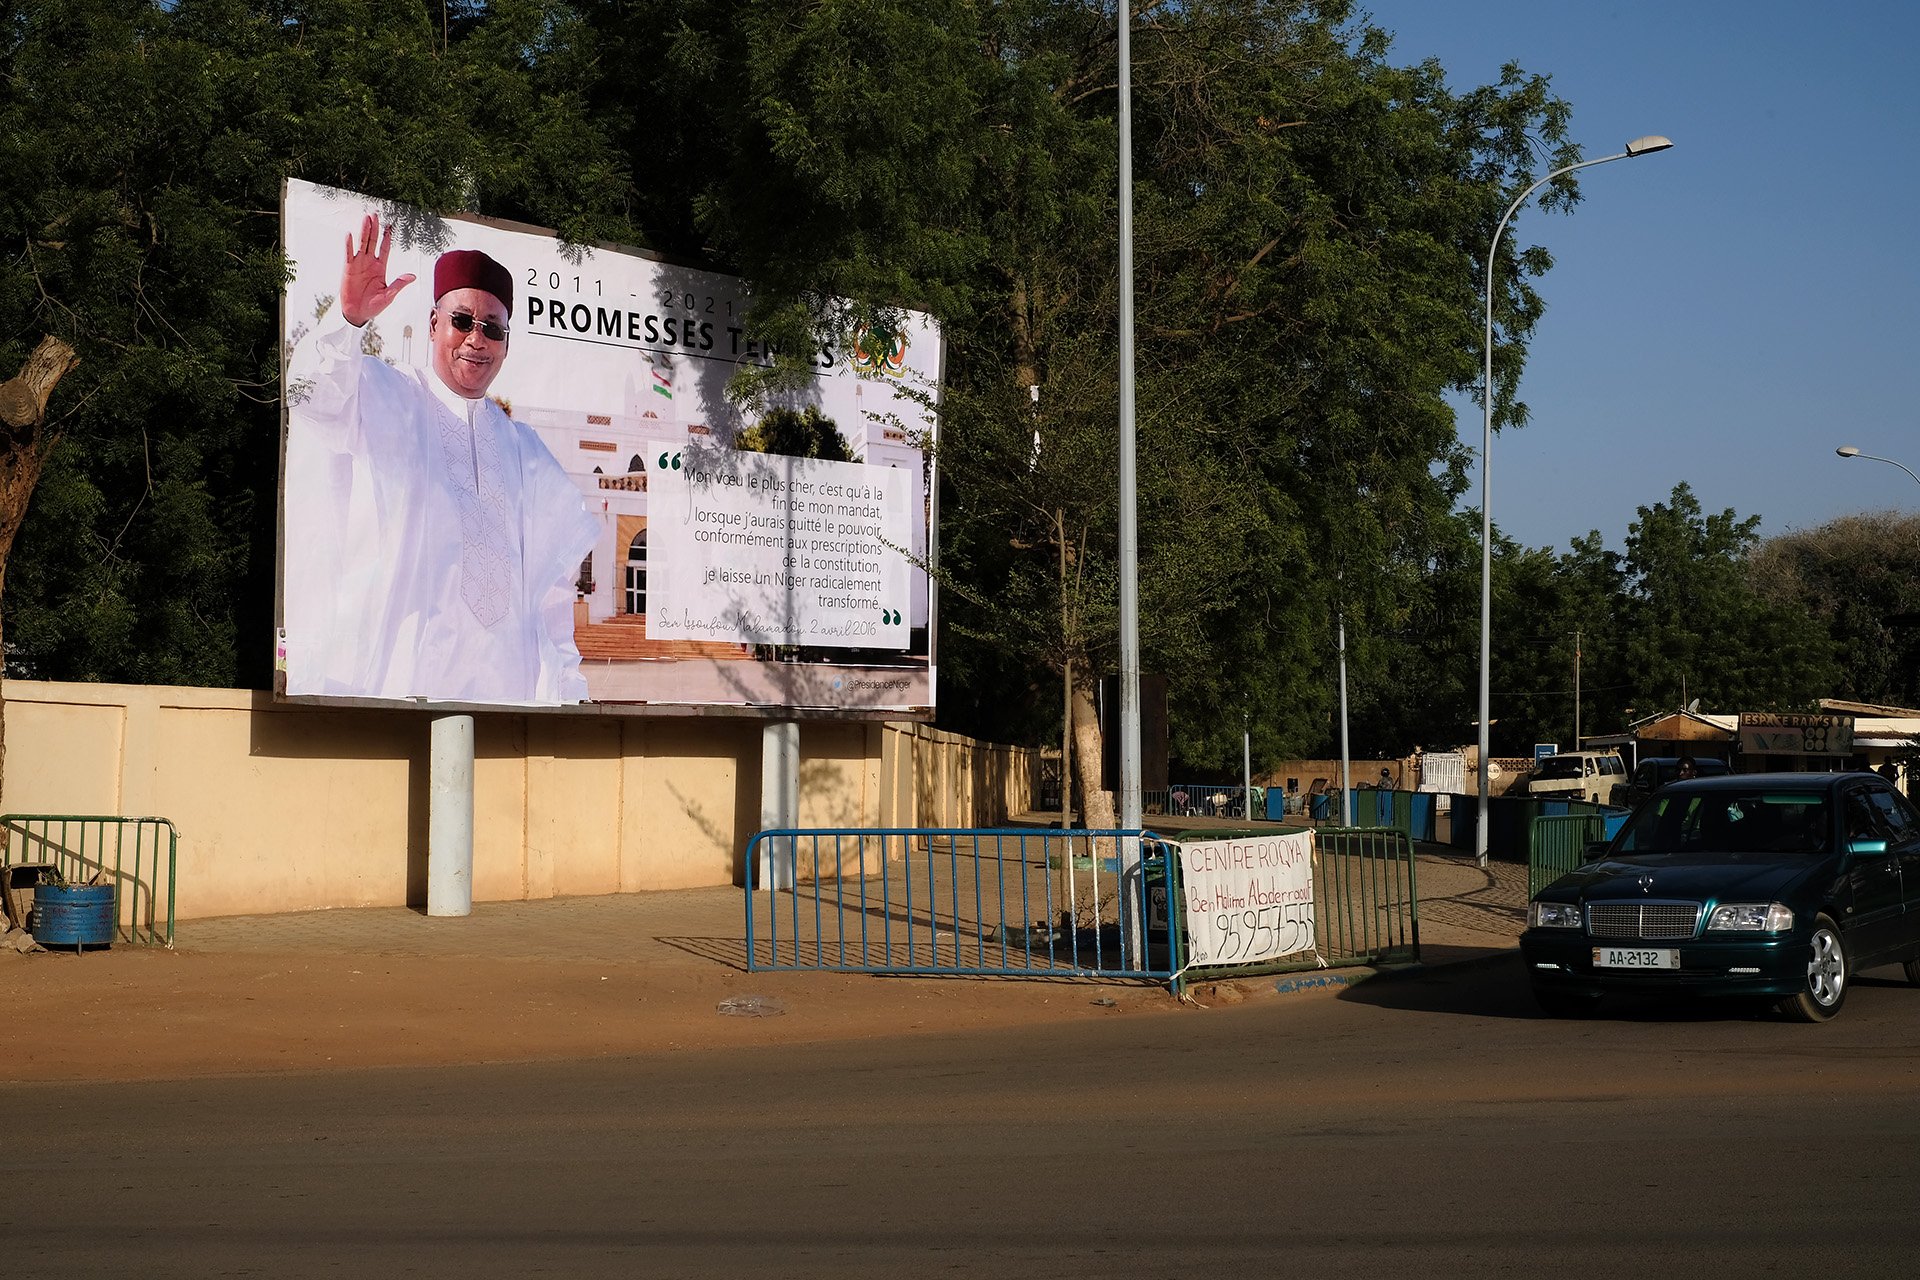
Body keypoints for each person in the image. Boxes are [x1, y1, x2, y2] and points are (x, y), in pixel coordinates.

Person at [284, 214, 597, 703]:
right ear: (434, 324)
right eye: (462, 321)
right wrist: (348, 321)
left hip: (503, 707)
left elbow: (552, 591)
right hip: (398, 693)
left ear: (506, 344)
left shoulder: (522, 450)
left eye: (492, 328)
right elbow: (313, 397)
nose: (476, 339)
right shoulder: (388, 396)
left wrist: (565, 691)